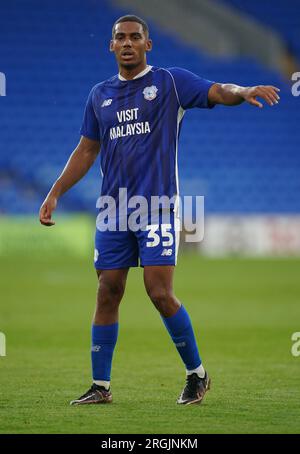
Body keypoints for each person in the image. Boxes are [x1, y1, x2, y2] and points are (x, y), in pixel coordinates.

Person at [39, 15, 280, 406]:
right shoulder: (99, 95)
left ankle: (197, 375)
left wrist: (244, 89)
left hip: (157, 207)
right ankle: (101, 386)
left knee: (159, 291)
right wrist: (55, 192)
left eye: (136, 37)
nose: (128, 43)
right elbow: (86, 150)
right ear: (111, 46)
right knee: (107, 291)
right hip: (113, 210)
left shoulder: (169, 82)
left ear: (148, 45)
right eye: (121, 38)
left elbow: (218, 91)